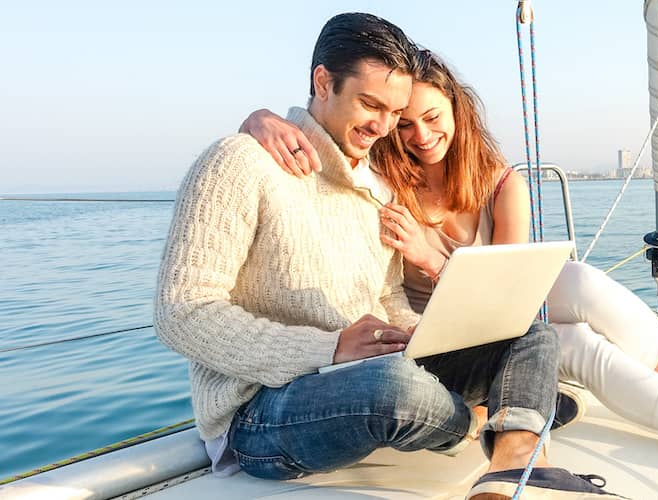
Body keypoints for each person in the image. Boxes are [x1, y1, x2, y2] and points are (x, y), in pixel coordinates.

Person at [242, 49, 658, 470]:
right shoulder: (379, 175)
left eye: (432, 118)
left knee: (582, 284)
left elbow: (508, 292)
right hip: (435, 338)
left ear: (458, 109)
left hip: (497, 324)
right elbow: (323, 139)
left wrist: (436, 254)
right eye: (403, 124)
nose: (419, 136)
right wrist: (259, 118)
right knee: (578, 345)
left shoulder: (498, 182)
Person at [154, 13, 620, 499]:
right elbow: (181, 312)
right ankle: (491, 419)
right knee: (392, 385)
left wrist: (415, 333)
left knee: (528, 334)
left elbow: (386, 292)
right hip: (262, 409)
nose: (382, 127)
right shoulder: (240, 162)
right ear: (323, 82)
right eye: (369, 104)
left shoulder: (376, 185)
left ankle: (512, 460)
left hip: (368, 370)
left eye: (393, 114)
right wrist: (328, 349)